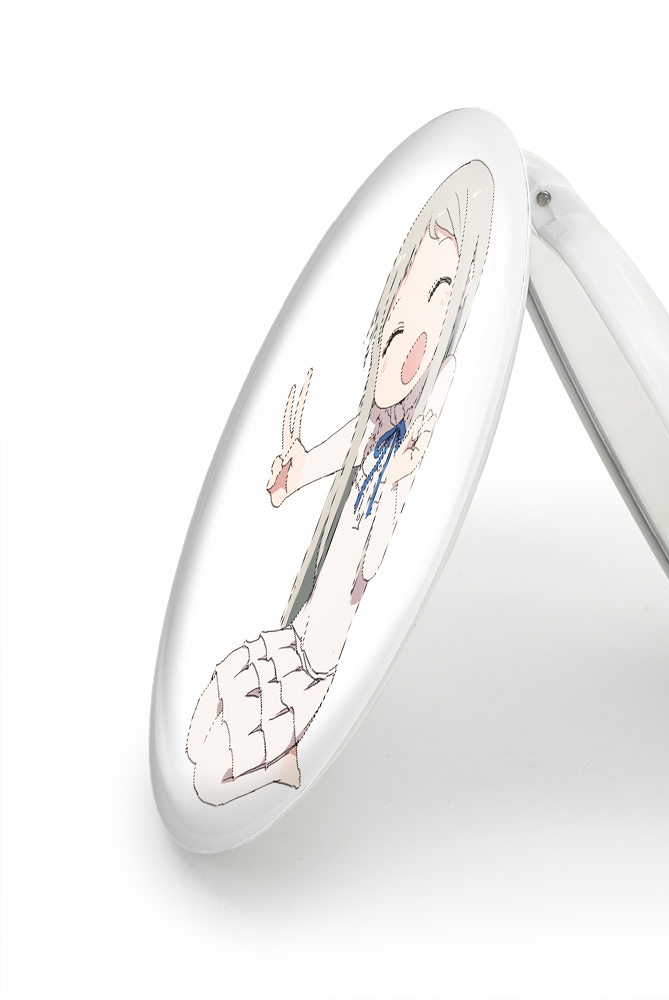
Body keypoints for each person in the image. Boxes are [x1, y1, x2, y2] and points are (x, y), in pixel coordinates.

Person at [185, 161, 494, 805]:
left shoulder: (401, 459)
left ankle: (280, 765)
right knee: (196, 733)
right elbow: (336, 450)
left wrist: (403, 469)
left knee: (210, 774)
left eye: (436, 312)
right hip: (293, 639)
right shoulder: (371, 437)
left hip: (312, 667)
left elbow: (436, 393)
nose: (409, 349)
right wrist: (297, 468)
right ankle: (282, 760)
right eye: (396, 330)